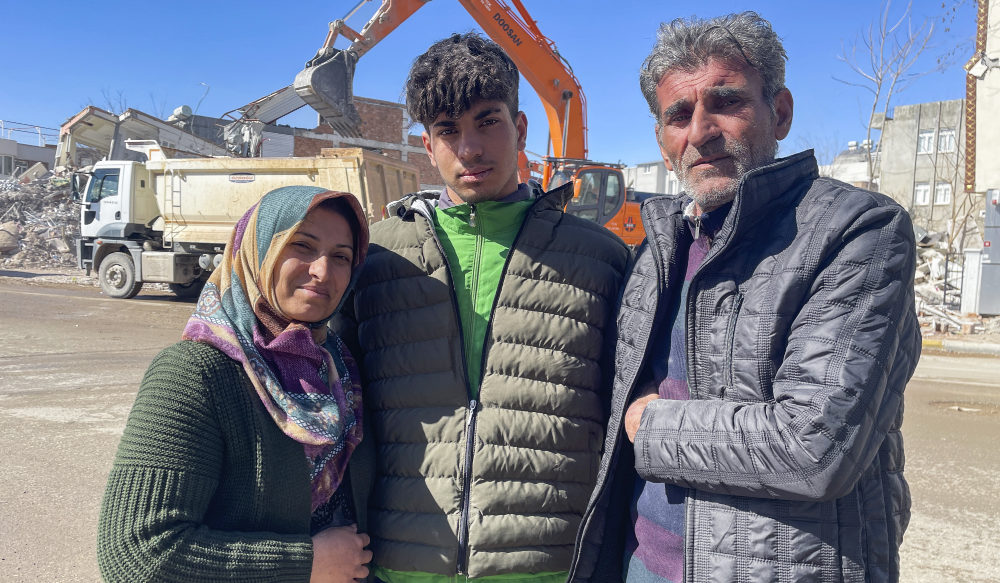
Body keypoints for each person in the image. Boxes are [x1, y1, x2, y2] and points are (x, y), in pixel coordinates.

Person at [568, 12, 921, 583]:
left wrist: (649, 424)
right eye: (678, 115)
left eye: (726, 102)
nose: (702, 131)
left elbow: (813, 447)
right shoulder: (658, 252)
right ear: (663, 143)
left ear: (779, 113)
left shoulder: (855, 232)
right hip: (640, 563)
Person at [340, 32, 630, 583]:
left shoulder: (601, 260)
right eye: (448, 130)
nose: (469, 148)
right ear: (428, 145)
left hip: (548, 566)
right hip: (403, 565)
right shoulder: (376, 257)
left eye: (487, 121)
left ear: (520, 128)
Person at [97, 186, 375, 583]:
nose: (322, 271)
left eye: (342, 257)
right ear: (258, 250)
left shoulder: (340, 369)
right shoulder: (194, 372)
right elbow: (137, 555)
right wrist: (306, 563)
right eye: (302, 245)